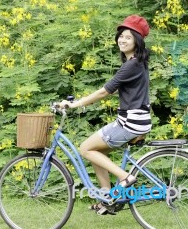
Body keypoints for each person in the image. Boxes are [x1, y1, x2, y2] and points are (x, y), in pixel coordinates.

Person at [59, 15, 152, 213]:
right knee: (96, 153)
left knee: (85, 148)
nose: (122, 40)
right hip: (138, 120)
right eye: (120, 36)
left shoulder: (132, 64)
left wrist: (75, 104)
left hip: (130, 122)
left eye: (128, 37)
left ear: (137, 40)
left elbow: (104, 91)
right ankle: (108, 199)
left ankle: (125, 177)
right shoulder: (137, 63)